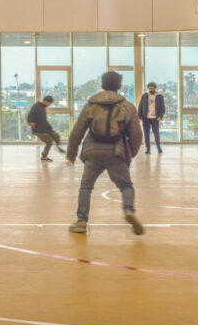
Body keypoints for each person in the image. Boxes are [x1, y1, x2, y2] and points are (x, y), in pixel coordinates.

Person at [65, 71, 145, 235]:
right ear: (120, 86)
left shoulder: (91, 105)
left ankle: (81, 221)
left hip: (93, 151)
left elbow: (77, 130)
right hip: (117, 152)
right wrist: (130, 153)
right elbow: (136, 135)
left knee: (86, 187)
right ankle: (129, 211)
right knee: (125, 186)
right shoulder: (127, 106)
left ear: (102, 85)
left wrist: (71, 153)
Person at [28, 95, 64, 161]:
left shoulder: (42, 107)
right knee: (49, 141)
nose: (49, 105)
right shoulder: (36, 106)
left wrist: (49, 128)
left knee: (56, 136)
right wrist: (31, 121)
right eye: (49, 103)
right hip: (38, 130)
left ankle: (58, 148)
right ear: (45, 101)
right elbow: (30, 115)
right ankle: (44, 156)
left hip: (46, 128)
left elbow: (43, 119)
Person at [138, 82, 166, 154]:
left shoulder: (159, 96)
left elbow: (163, 108)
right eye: (149, 88)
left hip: (155, 118)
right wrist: (139, 116)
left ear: (155, 88)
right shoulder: (144, 95)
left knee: (156, 133)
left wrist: (160, 117)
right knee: (146, 134)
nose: (151, 89)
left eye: (152, 88)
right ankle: (148, 148)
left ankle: (158, 147)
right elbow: (140, 106)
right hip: (145, 118)